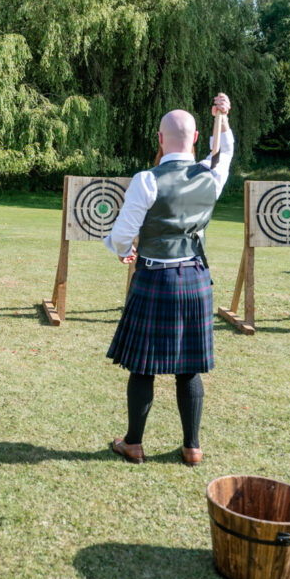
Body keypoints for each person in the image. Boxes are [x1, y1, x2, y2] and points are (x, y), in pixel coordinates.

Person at [102, 94, 234, 467]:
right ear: (195, 140)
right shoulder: (213, 175)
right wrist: (222, 118)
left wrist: (120, 249)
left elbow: (122, 235)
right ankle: (192, 447)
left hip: (154, 278)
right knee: (188, 367)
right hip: (194, 277)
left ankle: (133, 444)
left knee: (143, 366)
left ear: (160, 140)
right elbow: (224, 151)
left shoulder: (147, 180)